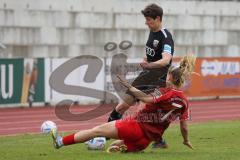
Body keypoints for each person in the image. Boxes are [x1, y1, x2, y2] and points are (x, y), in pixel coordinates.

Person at [50, 55, 195, 153]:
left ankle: (60, 141)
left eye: (167, 75)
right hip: (146, 141)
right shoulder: (184, 101)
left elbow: (146, 99)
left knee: (96, 131)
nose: (165, 78)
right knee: (114, 146)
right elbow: (184, 126)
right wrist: (186, 140)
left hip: (135, 126)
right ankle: (122, 147)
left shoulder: (165, 91)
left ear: (170, 77)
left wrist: (129, 86)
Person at [107, 3, 174, 148]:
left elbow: (166, 59)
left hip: (157, 77)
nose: (146, 22)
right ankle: (105, 134)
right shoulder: (152, 32)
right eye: (146, 19)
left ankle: (105, 135)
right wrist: (147, 59)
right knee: (122, 107)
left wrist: (150, 65)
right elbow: (152, 52)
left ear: (158, 18)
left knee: (142, 111)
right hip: (147, 75)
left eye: (149, 20)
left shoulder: (165, 36)